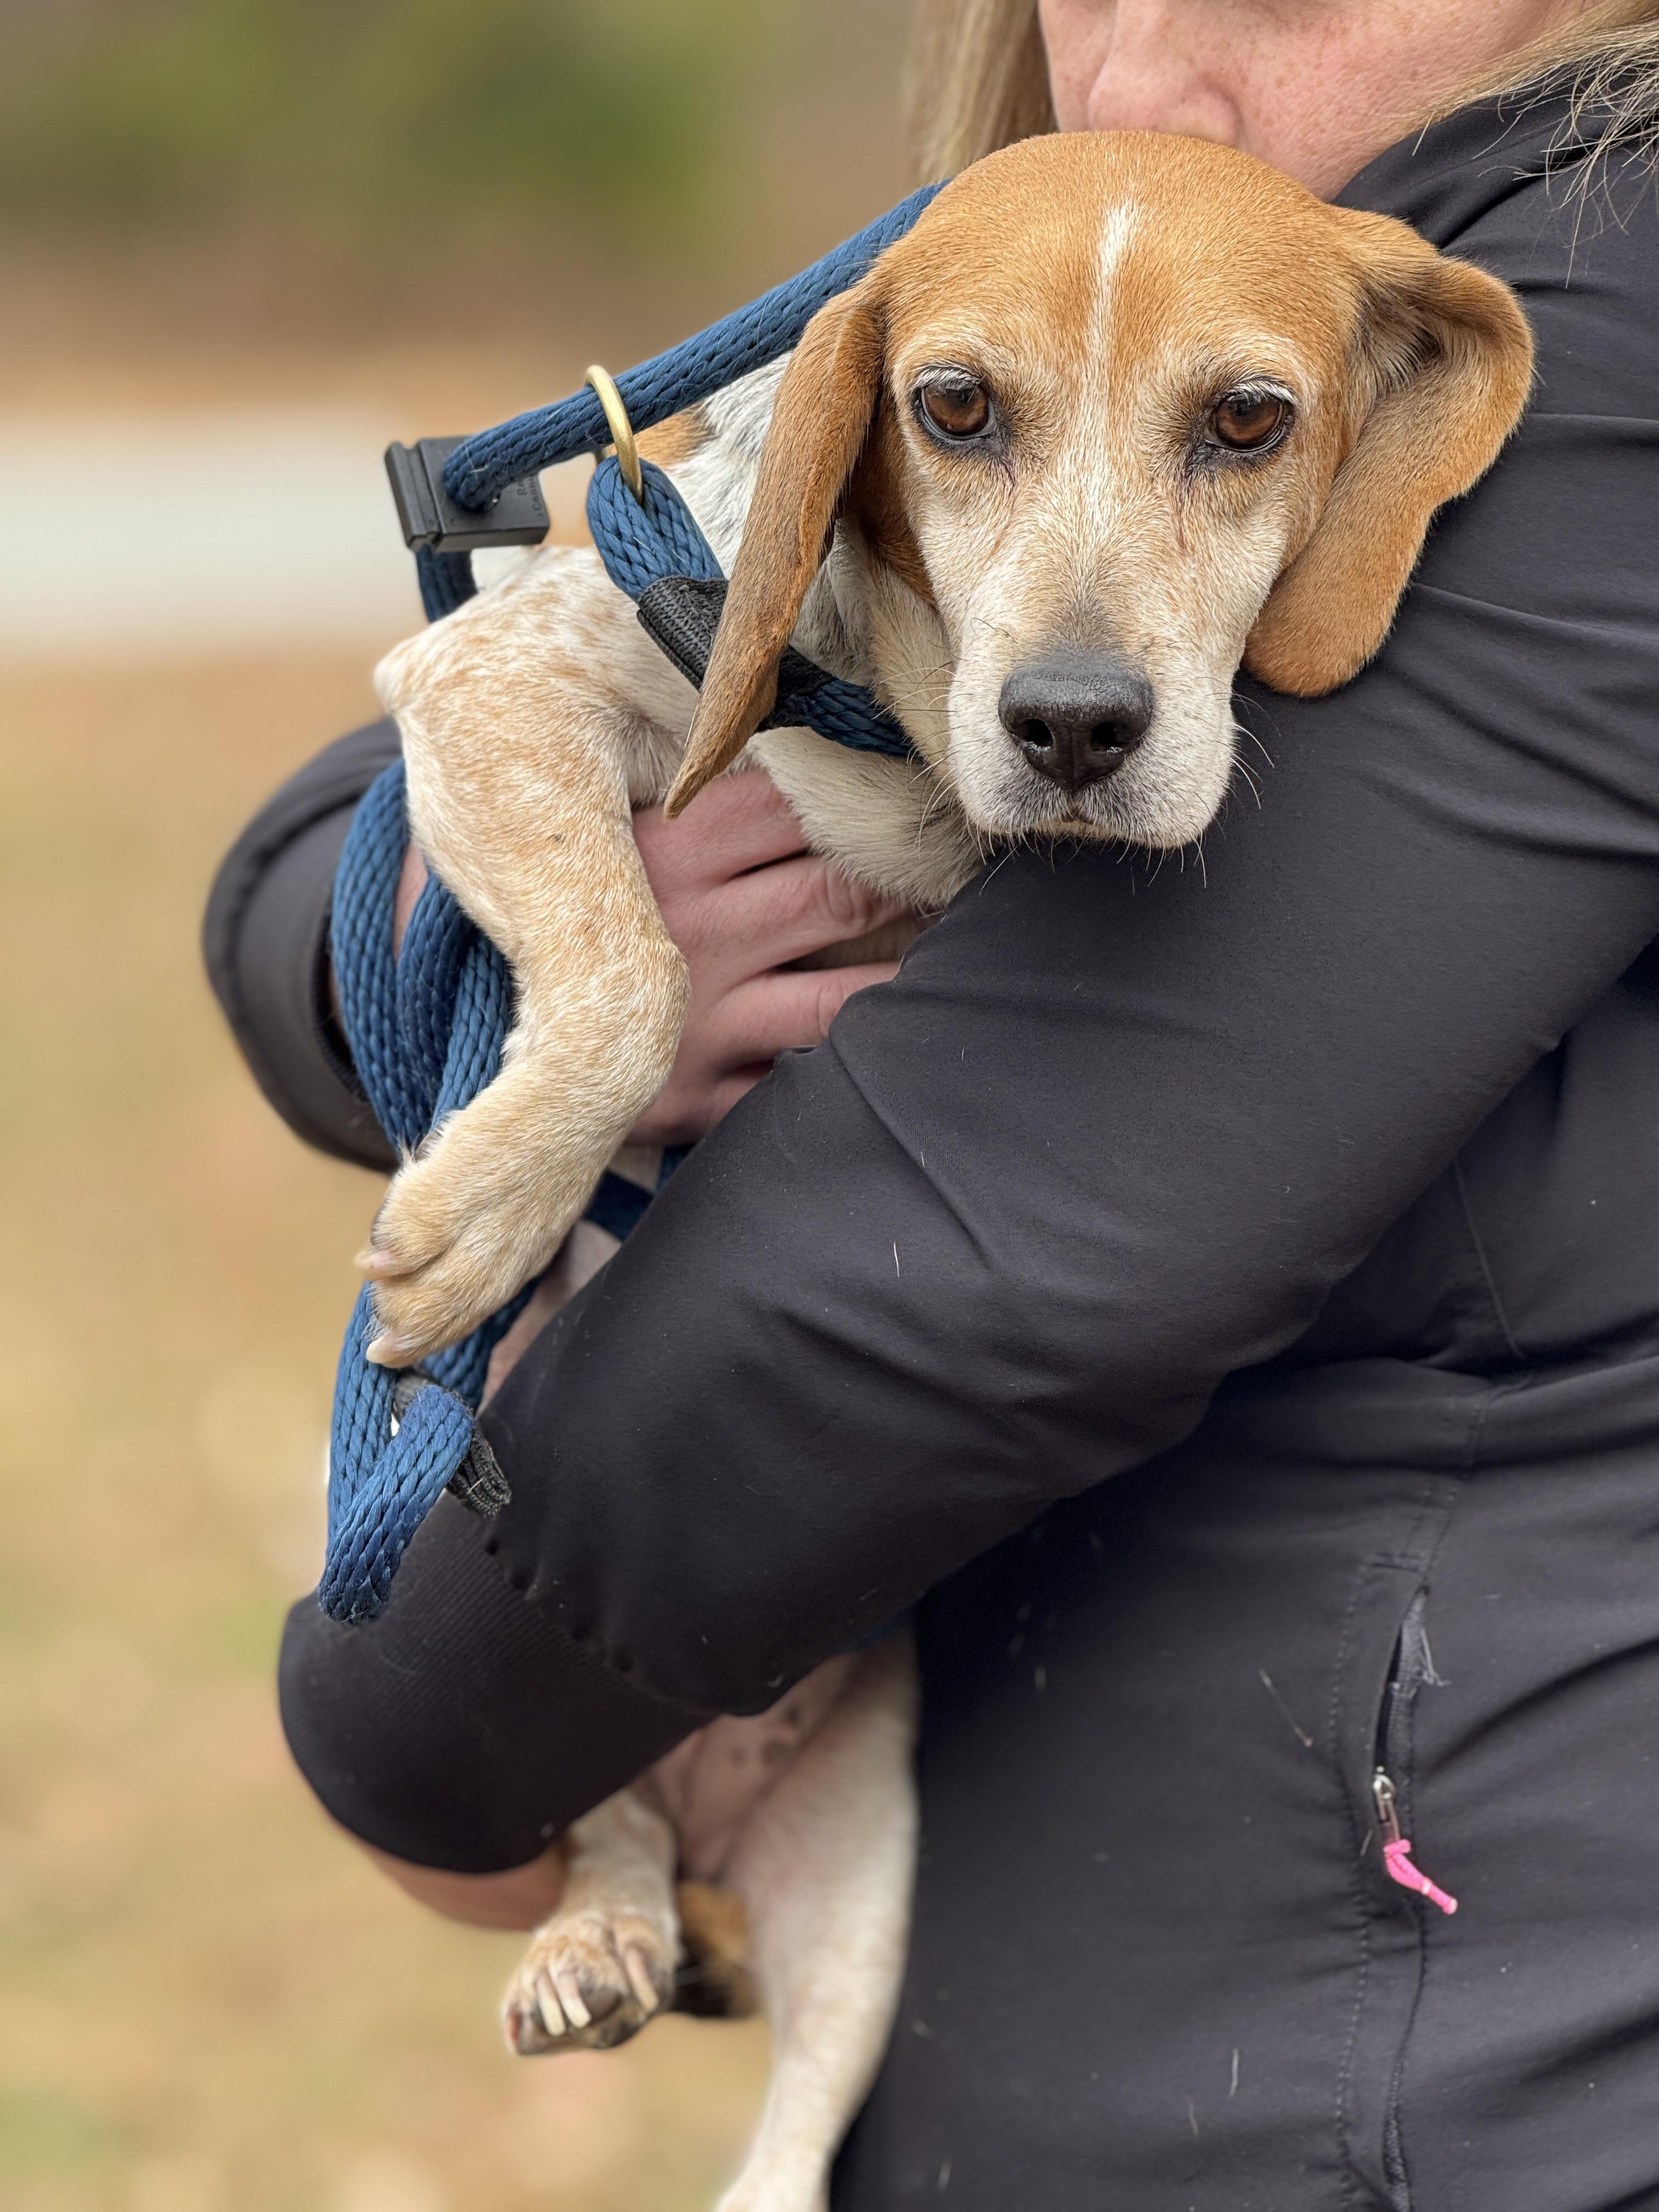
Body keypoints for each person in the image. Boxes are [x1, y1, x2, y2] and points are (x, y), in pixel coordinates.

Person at [205, 2, 1659, 2200]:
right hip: (1064, 2048)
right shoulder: (1052, 259)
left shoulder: (1572, 325)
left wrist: (407, 1724)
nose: (1151, 79)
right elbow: (323, 840)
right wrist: (547, 969)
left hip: (1418, 2095)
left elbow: (1003, 1265)